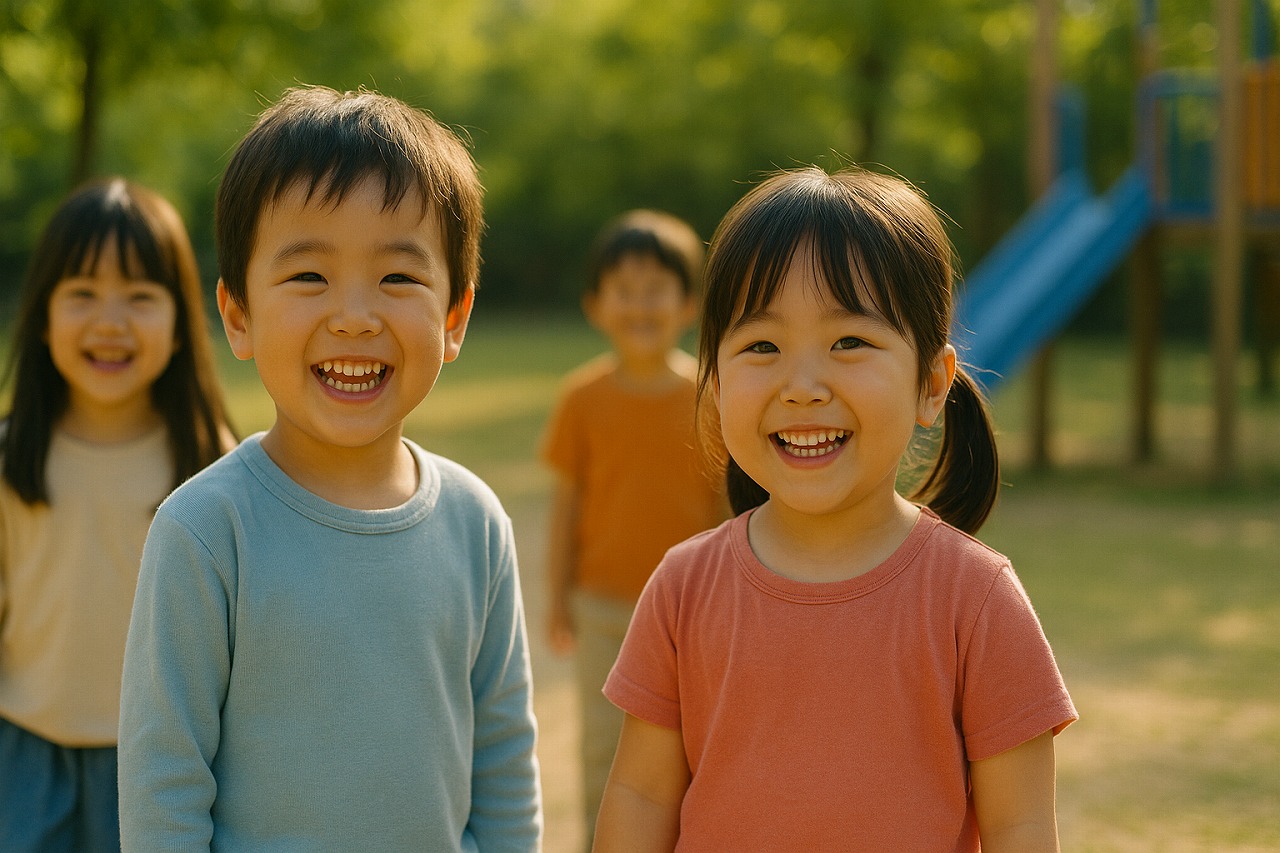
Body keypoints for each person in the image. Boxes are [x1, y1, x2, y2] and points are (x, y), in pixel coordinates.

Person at [594, 166, 1078, 852]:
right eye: (762, 345)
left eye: (849, 342)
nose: (803, 386)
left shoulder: (976, 597)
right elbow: (641, 794)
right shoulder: (683, 586)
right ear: (716, 377)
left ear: (931, 384)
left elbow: (1019, 824)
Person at [117, 86, 542, 851]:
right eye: (309, 276)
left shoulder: (476, 523)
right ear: (237, 314)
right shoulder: (207, 530)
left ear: (456, 318)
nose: (354, 313)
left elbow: (504, 757)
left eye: (399, 277)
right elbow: (164, 781)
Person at [0, 177, 235, 852]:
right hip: (25, 749)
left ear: (180, 323)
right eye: (82, 294)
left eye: (140, 296)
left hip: (165, 760)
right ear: (43, 315)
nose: (110, 321)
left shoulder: (212, 463)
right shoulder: (12, 454)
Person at [539, 210, 726, 844]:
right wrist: (557, 596)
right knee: (602, 747)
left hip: (695, 612)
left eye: (656, 290)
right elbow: (566, 505)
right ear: (596, 305)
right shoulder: (582, 399)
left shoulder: (711, 398)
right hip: (604, 609)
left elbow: (732, 511)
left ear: (688, 304)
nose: (640, 305)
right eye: (624, 290)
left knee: (688, 748)